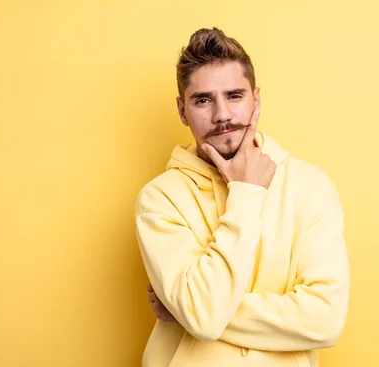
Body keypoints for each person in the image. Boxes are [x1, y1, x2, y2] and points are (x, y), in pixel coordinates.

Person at [135, 27, 350, 367]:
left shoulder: (311, 186)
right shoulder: (159, 199)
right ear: (181, 110)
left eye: (234, 95)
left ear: (256, 99)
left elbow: (324, 320)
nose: (222, 114)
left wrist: (188, 309)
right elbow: (202, 314)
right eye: (203, 100)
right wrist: (246, 193)